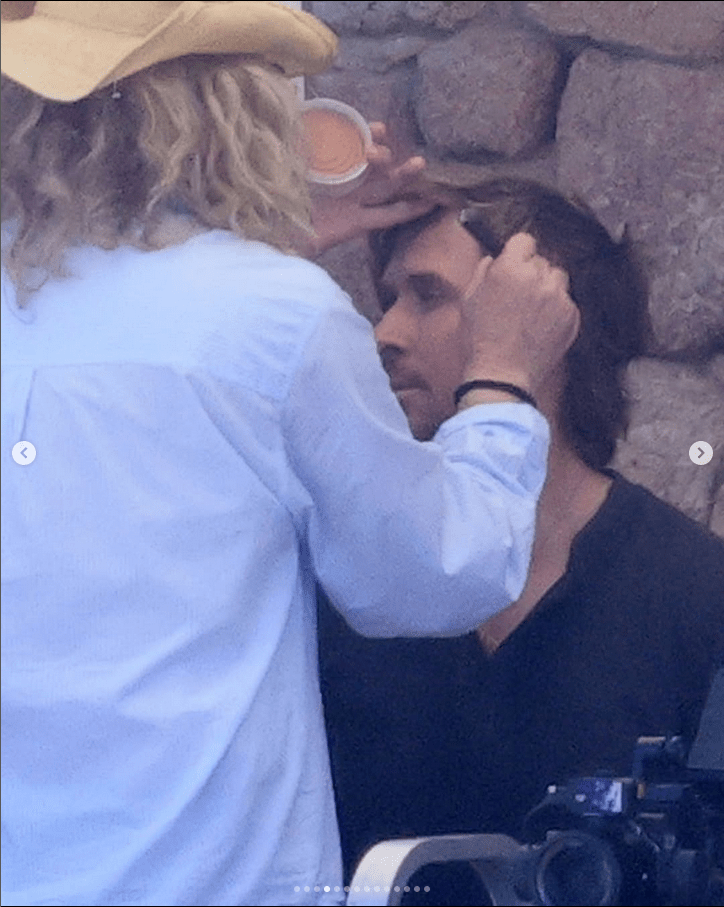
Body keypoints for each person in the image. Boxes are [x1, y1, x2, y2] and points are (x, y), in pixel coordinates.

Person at [0, 4, 581, 906]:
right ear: (227, 106)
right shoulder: (272, 315)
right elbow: (430, 573)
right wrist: (502, 376)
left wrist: (257, 242)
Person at [318, 178, 724, 900]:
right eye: (388, 301)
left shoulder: (695, 596)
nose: (386, 333)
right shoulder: (353, 575)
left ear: (546, 321)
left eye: (428, 295)